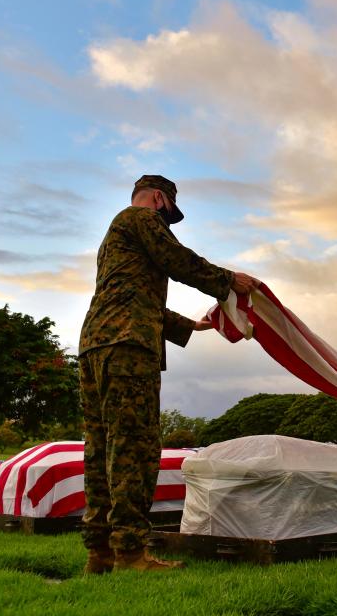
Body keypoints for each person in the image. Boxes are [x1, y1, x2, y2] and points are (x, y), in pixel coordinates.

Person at [78, 174, 259, 573]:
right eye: (168, 212)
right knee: (134, 449)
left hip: (97, 344)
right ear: (160, 198)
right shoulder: (141, 219)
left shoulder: (114, 238)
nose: (166, 220)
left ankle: (100, 552)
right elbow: (177, 260)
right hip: (127, 346)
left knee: (100, 450)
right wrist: (229, 282)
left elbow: (132, 295)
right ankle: (130, 554)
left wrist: (187, 327)